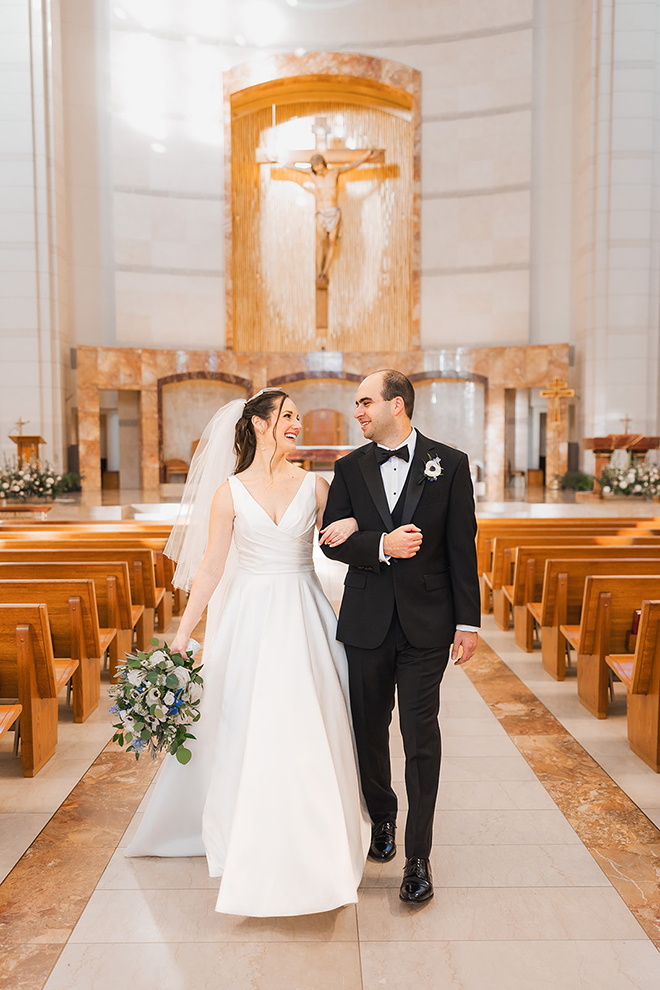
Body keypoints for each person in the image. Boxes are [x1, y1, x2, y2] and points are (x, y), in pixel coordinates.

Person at [125, 388, 371, 917]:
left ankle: (320, 840)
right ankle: (250, 830)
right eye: (286, 416)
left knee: (309, 725)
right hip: (249, 621)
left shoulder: (317, 485)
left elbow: (348, 541)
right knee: (249, 725)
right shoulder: (228, 493)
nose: (296, 425)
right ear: (258, 424)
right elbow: (212, 567)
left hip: (304, 613)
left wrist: (356, 528)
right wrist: (182, 633)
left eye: (297, 417)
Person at [320, 370, 481, 903]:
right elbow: (332, 543)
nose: (358, 411)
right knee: (368, 730)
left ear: (397, 404)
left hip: (427, 624)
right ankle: (383, 819)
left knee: (420, 736)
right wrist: (380, 544)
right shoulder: (348, 468)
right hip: (366, 621)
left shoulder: (450, 463)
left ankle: (419, 856)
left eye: (365, 402)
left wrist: (468, 621)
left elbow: (463, 547)